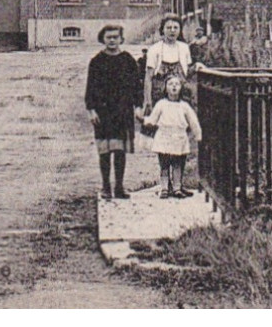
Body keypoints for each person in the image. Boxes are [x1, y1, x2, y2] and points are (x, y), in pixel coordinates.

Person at [85, 24, 142, 201]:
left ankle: (119, 186)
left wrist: (138, 106)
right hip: (103, 113)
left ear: (121, 39)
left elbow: (136, 86)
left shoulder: (128, 60)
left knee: (120, 151)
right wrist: (91, 110)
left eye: (115, 37)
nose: (112, 40)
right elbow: (90, 88)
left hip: (122, 112)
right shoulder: (96, 61)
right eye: (108, 37)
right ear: (103, 39)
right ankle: (105, 187)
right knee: (104, 151)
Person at [144, 74, 203, 197]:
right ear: (165, 88)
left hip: (179, 138)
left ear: (181, 87)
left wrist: (198, 135)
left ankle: (177, 188)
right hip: (164, 137)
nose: (174, 86)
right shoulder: (161, 104)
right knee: (164, 165)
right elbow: (153, 120)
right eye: (170, 84)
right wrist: (145, 120)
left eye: (177, 84)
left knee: (177, 164)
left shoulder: (184, 106)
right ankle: (164, 188)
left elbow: (193, 121)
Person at [144, 14, 193, 109]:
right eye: (169, 27)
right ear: (162, 29)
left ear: (180, 30)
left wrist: (197, 66)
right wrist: (148, 101)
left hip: (180, 98)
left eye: (176, 27)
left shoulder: (184, 48)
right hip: (159, 98)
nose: (172, 30)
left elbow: (188, 74)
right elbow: (148, 78)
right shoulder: (155, 49)